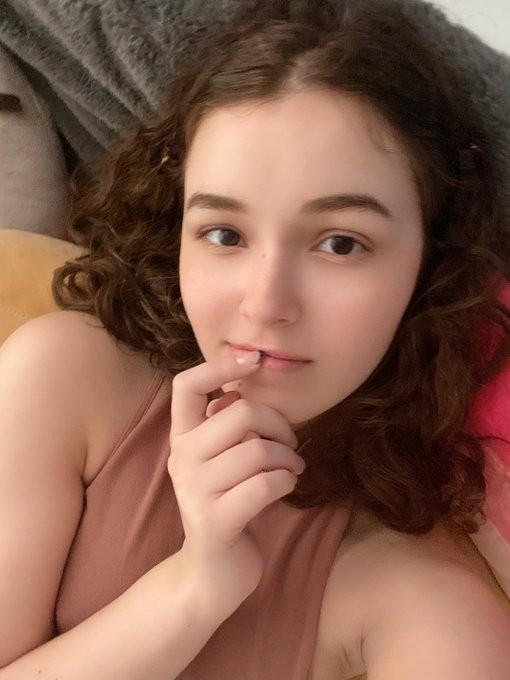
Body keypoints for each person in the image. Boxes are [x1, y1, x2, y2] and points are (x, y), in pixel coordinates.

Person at [0, 0, 509, 678]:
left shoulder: (431, 600)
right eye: (224, 234)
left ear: (432, 262)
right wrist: (194, 587)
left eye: (340, 243)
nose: (266, 303)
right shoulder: (60, 377)